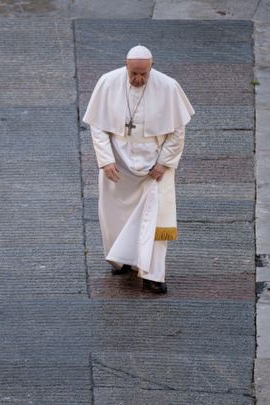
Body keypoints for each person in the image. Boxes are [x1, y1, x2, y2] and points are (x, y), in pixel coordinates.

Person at [82, 45, 194, 294]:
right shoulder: (108, 82)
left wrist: (164, 162)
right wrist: (106, 160)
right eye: (133, 73)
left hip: (154, 167)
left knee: (154, 220)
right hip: (118, 164)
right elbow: (98, 127)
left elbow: (177, 131)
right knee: (115, 216)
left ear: (151, 67)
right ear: (126, 65)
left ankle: (153, 274)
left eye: (143, 74)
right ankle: (122, 259)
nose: (138, 79)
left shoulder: (168, 87)